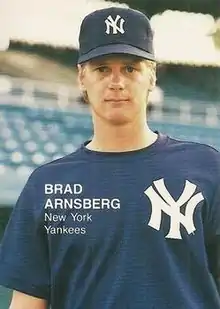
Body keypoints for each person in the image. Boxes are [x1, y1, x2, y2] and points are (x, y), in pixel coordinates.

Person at [0, 6, 219, 309]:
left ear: (152, 76)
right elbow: (27, 303)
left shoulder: (206, 168)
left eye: (131, 68)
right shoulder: (47, 184)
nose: (117, 81)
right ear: (81, 77)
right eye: (102, 68)